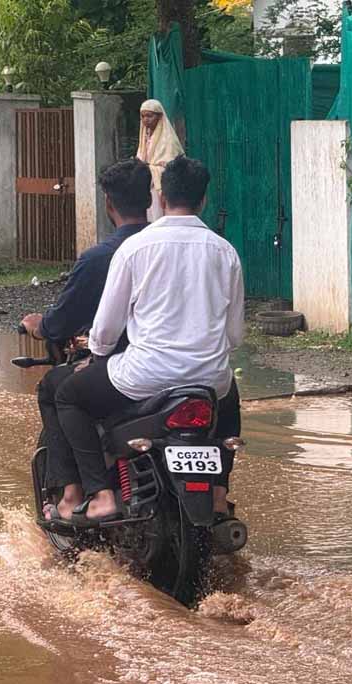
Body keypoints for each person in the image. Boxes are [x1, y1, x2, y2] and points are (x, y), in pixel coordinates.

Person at [53, 156, 244, 526]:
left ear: (159, 197)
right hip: (208, 382)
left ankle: (100, 495)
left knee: (68, 396)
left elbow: (105, 331)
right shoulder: (226, 252)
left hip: (142, 377)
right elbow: (234, 334)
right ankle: (219, 493)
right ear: (204, 199)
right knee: (230, 396)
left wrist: (97, 357)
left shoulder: (136, 248)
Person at [22, 159, 152, 523]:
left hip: (125, 368)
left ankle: (76, 491)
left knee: (56, 388)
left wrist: (41, 326)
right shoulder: (175, 248)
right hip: (191, 373)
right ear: (150, 199)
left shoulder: (105, 257)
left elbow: (76, 324)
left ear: (108, 203)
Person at [135, 99, 184, 222]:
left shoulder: (169, 141)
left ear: (159, 117)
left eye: (149, 116)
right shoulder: (145, 138)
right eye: (143, 116)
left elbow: (172, 168)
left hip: (161, 189)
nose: (146, 119)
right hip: (145, 187)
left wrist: (149, 169)